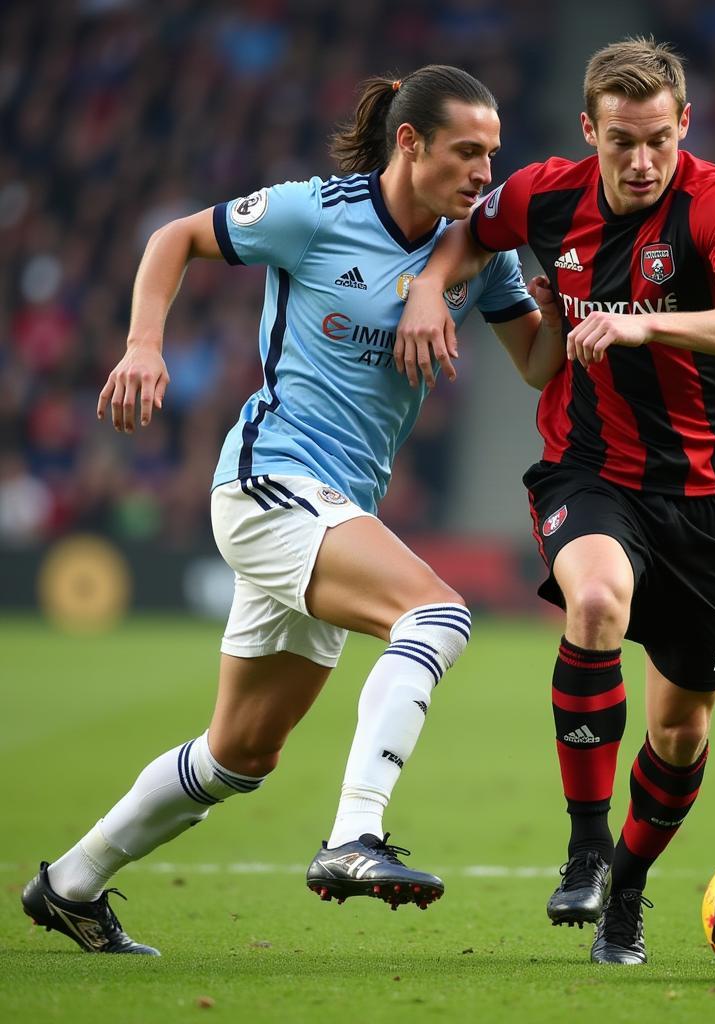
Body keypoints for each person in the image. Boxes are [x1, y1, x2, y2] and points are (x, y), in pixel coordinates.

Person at [22, 65, 564, 956]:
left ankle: (69, 886)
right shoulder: (315, 211)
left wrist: (568, 316)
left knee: (240, 756)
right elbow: (174, 238)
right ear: (409, 142)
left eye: (493, 154)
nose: (483, 171)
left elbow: (536, 367)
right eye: (467, 152)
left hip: (336, 505)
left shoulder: (482, 251)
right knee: (436, 612)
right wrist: (143, 346)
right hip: (269, 478)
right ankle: (355, 835)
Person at [397, 38, 715, 965]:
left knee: (682, 732)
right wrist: (426, 287)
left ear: (684, 126)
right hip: (589, 471)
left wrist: (645, 323)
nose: (642, 160)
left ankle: (628, 886)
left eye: (658, 138)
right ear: (590, 131)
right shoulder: (546, 192)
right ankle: (583, 843)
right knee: (596, 601)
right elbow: (467, 228)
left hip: (704, 497)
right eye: (622, 141)